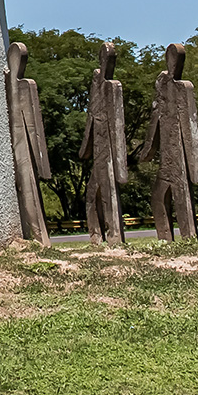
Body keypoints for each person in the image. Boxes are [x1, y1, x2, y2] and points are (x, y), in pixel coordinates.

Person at [141, 44, 198, 241]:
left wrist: (195, 168)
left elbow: (190, 128)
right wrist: (147, 151)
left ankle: (189, 237)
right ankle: (166, 238)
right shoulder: (162, 87)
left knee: (181, 197)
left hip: (179, 160)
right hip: (166, 160)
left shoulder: (182, 89)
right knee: (159, 197)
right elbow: (154, 124)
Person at [80, 42, 128, 245]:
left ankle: (114, 235)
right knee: (92, 195)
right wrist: (85, 149)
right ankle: (96, 235)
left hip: (108, 154)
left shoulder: (112, 88)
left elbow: (118, 128)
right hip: (98, 153)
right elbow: (91, 118)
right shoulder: (97, 86)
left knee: (109, 195)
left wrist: (121, 167)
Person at [4, 41, 52, 246]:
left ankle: (40, 236)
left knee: (29, 187)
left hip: (21, 147)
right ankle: (37, 235)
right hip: (17, 147)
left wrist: (43, 167)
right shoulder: (12, 84)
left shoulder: (23, 86)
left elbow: (34, 130)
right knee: (26, 188)